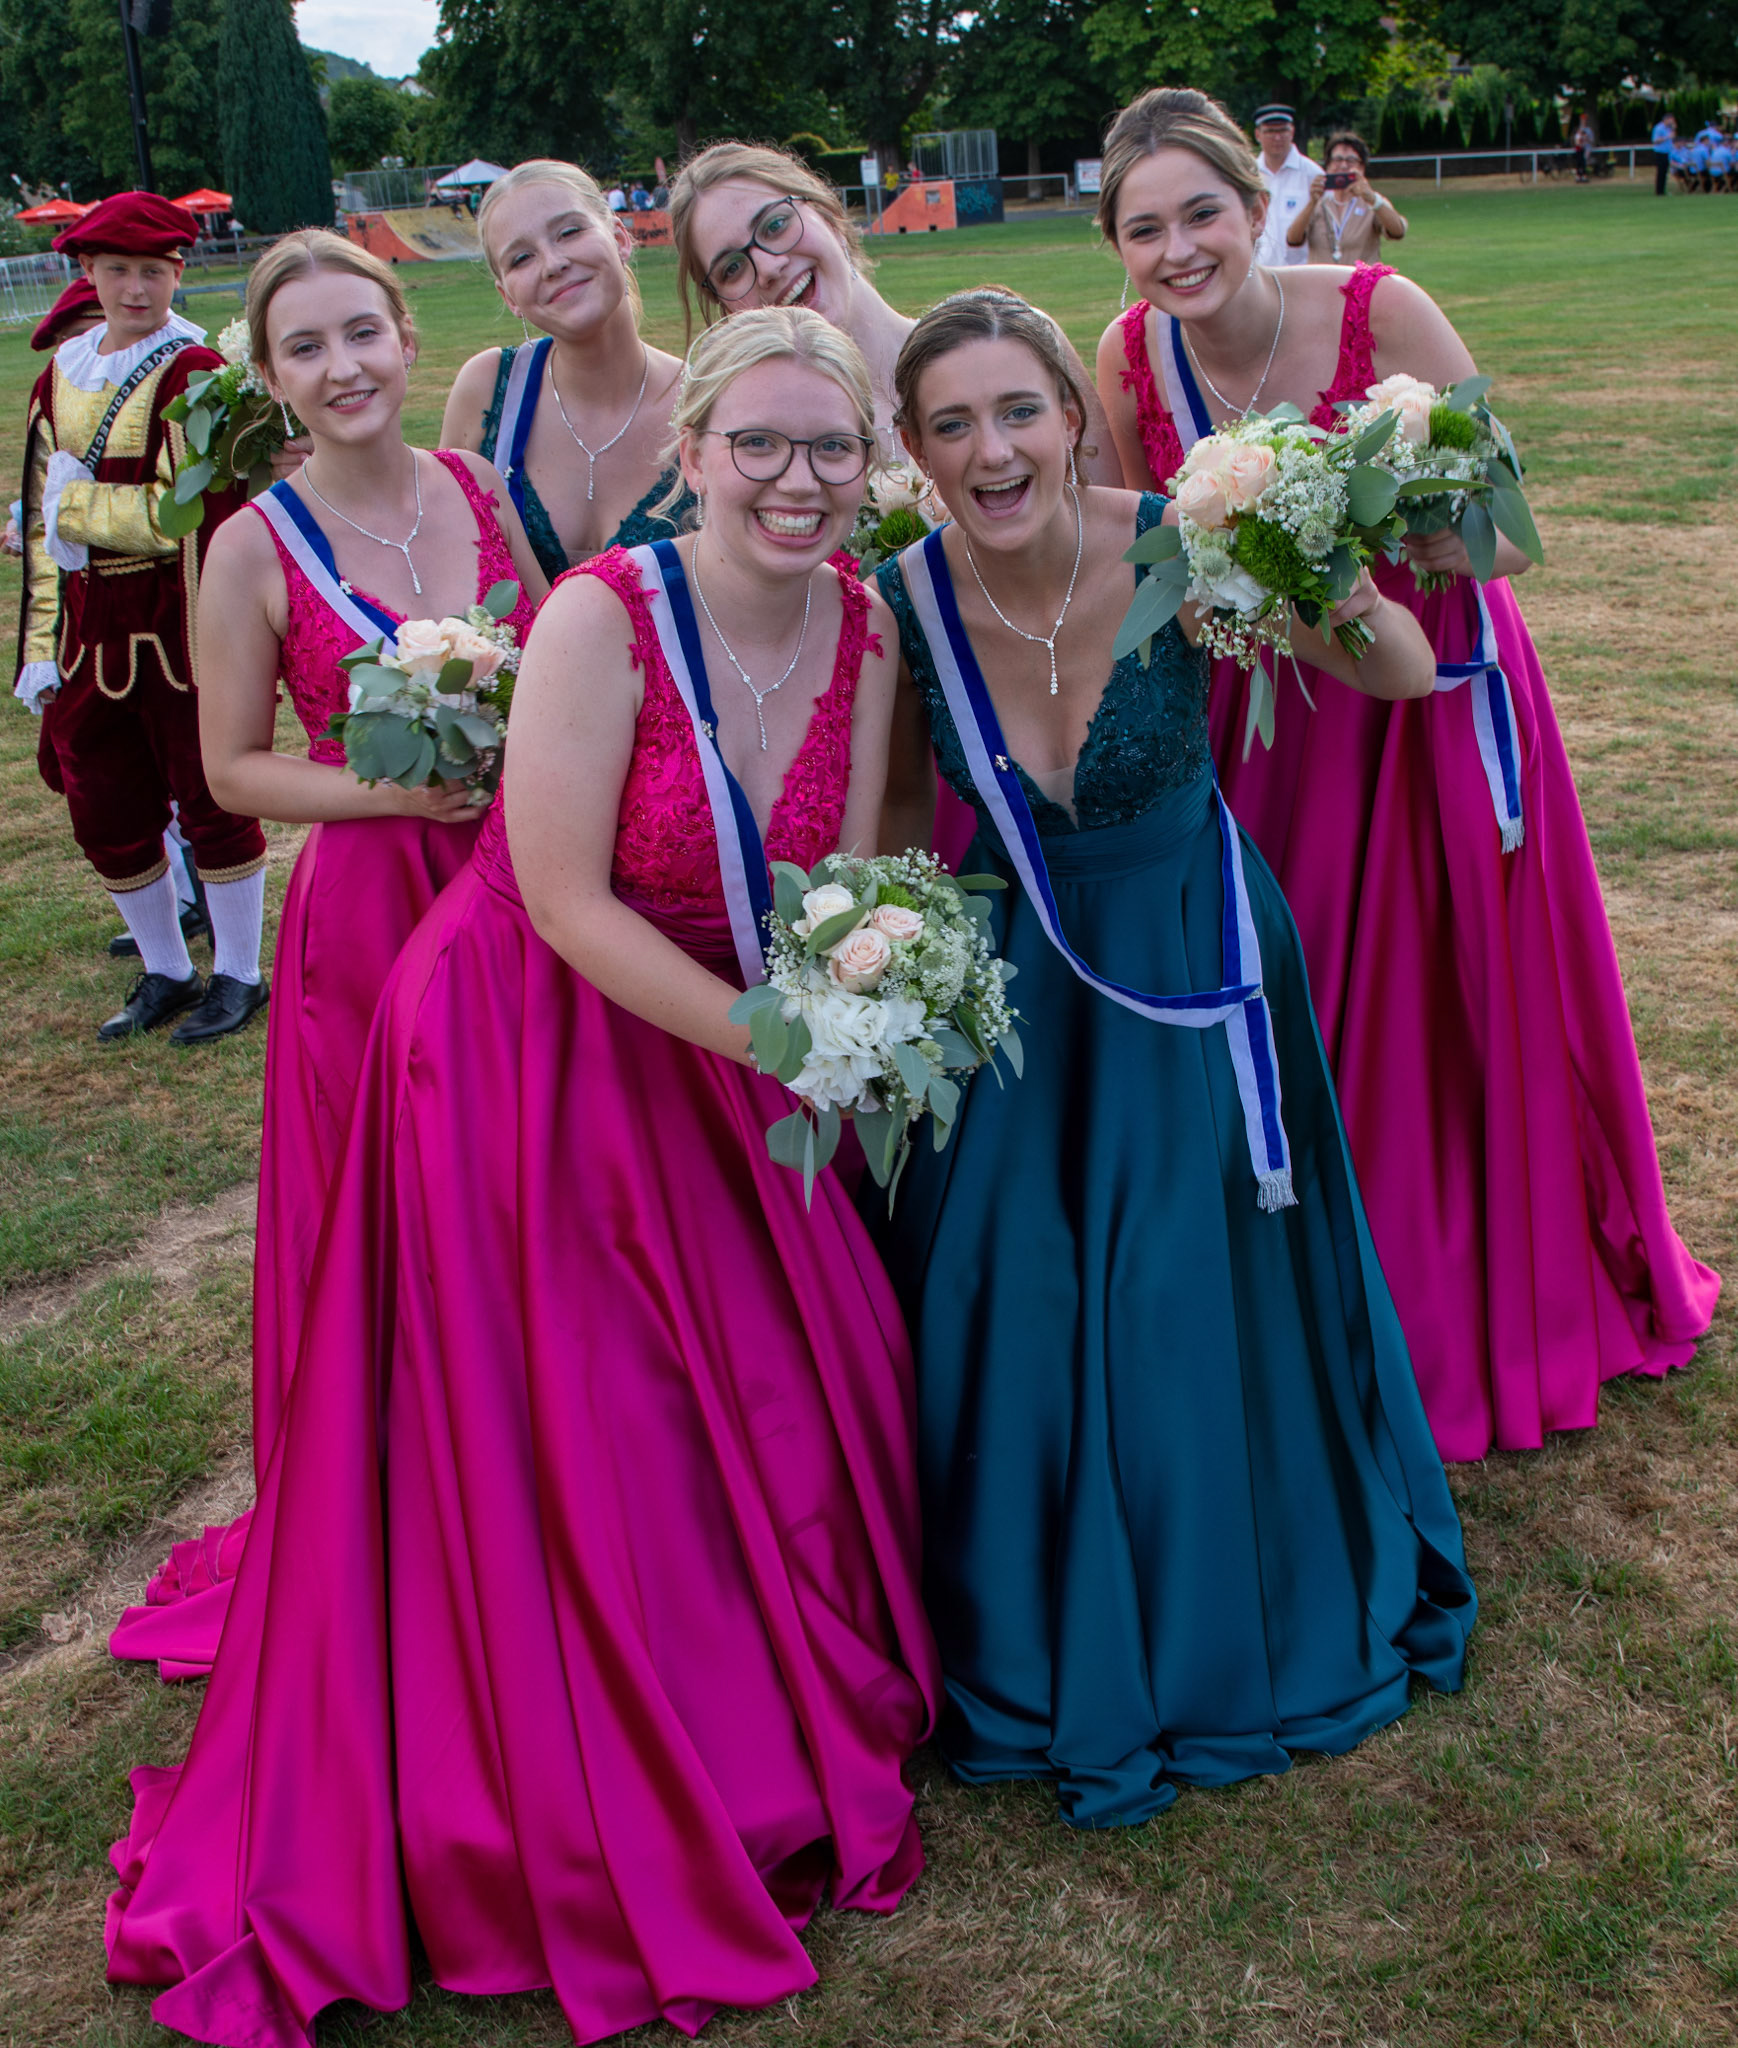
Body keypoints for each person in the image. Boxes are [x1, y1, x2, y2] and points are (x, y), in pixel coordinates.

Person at [106, 305, 940, 2046]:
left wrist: (871, 993)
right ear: (694, 454)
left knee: (787, 1373)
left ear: (867, 464)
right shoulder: (601, 613)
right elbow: (559, 899)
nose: (795, 478)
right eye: (758, 442)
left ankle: (761, 1666)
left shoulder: (866, 628)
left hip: (717, 1035)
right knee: (582, 1402)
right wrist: (782, 1047)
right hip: (521, 1046)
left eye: (829, 446)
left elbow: (851, 873)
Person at [870, 286, 1474, 1827]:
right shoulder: (899, 601)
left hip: (1194, 959)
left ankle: (1228, 1597)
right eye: (952, 424)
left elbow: (1398, 672)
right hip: (1024, 979)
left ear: (1074, 417)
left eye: (1019, 411)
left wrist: (1299, 551)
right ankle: (1031, 1616)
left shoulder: (1172, 542)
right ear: (915, 451)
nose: (992, 450)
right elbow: (894, 830)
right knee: (1015, 1282)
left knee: (1177, 1284)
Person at [1095, 86, 1720, 1461]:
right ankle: (1322, 1289)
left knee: (1453, 984)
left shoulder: (1384, 312)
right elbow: (1143, 545)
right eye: (1143, 230)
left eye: (1200, 213)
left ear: (1254, 206)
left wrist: (1451, 542)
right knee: (1312, 980)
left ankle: (1473, 1294)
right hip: (1277, 717)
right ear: (1116, 247)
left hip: (1427, 699)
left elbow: (1511, 532)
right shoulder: (1127, 356)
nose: (1177, 249)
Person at [108, 231, 546, 1682]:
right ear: (271, 377)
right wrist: (395, 792)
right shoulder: (249, 543)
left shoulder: (479, 490)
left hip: (525, 879)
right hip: (373, 905)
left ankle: (543, 1457)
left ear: (407, 336)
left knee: (527, 1175)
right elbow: (232, 768)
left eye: (362, 331)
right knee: (404, 1201)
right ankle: (417, 1488)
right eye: (305, 347)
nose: (343, 366)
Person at [12, 192, 268, 1043]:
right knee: (105, 808)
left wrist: (74, 506)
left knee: (211, 798)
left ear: (177, 273)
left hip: (178, 628)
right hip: (87, 635)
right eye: (117, 269)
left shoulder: (193, 370)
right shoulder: (58, 374)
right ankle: (167, 968)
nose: (134, 289)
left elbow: (181, 514)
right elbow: (39, 535)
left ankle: (239, 974)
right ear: (86, 271)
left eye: (153, 271)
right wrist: (39, 646)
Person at [670, 141, 1122, 481]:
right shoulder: (760, 451)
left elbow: (1116, 529)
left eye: (775, 225)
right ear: (725, 306)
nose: (768, 268)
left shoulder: (1021, 342)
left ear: (826, 214)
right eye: (732, 268)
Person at [441, 159, 688, 582]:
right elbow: (442, 561)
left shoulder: (706, 400)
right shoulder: (486, 391)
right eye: (522, 258)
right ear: (508, 296)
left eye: (569, 232)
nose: (553, 263)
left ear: (620, 238)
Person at [1288, 130, 1406, 265]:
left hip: (1360, 278)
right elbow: (1293, 239)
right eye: (1337, 160)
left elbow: (1397, 232)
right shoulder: (1318, 204)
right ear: (1328, 165)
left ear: (1362, 167)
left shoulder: (1373, 203)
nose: (1343, 166)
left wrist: (1372, 199)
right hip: (1323, 278)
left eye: (1351, 160)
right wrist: (1312, 202)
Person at [1251, 102, 1313, 266]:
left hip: (1301, 271)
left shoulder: (1312, 174)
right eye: (1270, 131)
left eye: (1283, 130)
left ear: (1292, 131)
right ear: (1258, 134)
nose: (1277, 137)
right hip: (1260, 270)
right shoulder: (1249, 174)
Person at [1653, 110, 1677, 195]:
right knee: (1661, 171)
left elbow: (1673, 137)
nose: (1673, 122)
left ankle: (1662, 190)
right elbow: (1655, 141)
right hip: (1660, 152)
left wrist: (1673, 129)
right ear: (1666, 119)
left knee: (1665, 172)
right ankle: (1659, 191)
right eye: (1671, 120)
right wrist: (1667, 137)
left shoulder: (1669, 128)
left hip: (1667, 152)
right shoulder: (1659, 128)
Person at [1573, 110, 1596, 182]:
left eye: (1584, 120)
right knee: (1579, 162)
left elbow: (1591, 140)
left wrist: (1586, 139)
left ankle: (1583, 175)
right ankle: (1579, 175)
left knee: (1584, 161)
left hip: (1586, 148)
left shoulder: (1589, 130)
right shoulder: (1579, 130)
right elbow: (1577, 140)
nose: (1583, 121)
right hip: (1580, 148)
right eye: (1582, 120)